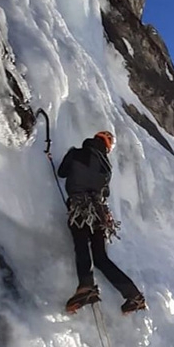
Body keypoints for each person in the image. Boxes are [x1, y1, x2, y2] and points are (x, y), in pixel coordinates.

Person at [57, 130, 146, 314]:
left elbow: (62, 172)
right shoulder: (107, 166)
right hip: (99, 212)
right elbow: (105, 193)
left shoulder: (76, 153)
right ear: (107, 146)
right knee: (101, 258)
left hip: (80, 207)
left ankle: (86, 286)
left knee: (81, 245)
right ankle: (134, 296)